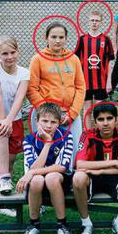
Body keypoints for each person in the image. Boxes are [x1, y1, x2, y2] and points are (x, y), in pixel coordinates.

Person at [73, 103, 118, 234]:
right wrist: (115, 162)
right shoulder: (87, 134)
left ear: (116, 120)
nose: (105, 123)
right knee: (78, 177)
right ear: (95, 122)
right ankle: (86, 223)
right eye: (100, 119)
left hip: (116, 177)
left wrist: (101, 170)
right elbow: (80, 165)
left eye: (109, 118)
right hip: (92, 178)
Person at [16, 103, 73, 234]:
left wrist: (32, 172)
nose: (49, 126)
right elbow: (33, 166)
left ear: (59, 123)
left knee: (52, 177)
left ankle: (62, 225)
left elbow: (61, 167)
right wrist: (47, 144)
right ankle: (34, 225)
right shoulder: (29, 140)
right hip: (37, 183)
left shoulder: (66, 136)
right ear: (37, 121)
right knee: (36, 180)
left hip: (59, 182)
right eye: (45, 121)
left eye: (53, 122)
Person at [27, 22, 86, 160]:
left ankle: (70, 178)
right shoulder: (38, 59)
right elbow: (31, 88)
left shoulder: (73, 59)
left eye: (61, 37)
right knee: (45, 149)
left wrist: (72, 113)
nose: (58, 40)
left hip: (69, 114)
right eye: (53, 37)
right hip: (46, 114)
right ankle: (41, 179)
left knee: (73, 148)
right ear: (46, 38)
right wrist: (47, 112)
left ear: (66, 39)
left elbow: (80, 87)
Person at [0, 36, 30, 198]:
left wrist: (9, 120)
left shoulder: (24, 73)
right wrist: (4, 121)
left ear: (18, 51)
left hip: (13, 121)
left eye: (12, 52)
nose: (9, 57)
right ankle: (4, 177)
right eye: (5, 53)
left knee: (8, 163)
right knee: (1, 132)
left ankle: (2, 205)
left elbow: (19, 99)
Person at [76, 10, 115, 128]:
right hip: (85, 81)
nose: (94, 23)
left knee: (99, 110)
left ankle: (98, 132)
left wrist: (109, 81)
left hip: (101, 81)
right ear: (88, 22)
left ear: (101, 23)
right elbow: (76, 61)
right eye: (92, 20)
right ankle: (87, 134)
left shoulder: (106, 39)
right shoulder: (82, 39)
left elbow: (110, 62)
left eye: (97, 21)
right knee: (87, 109)